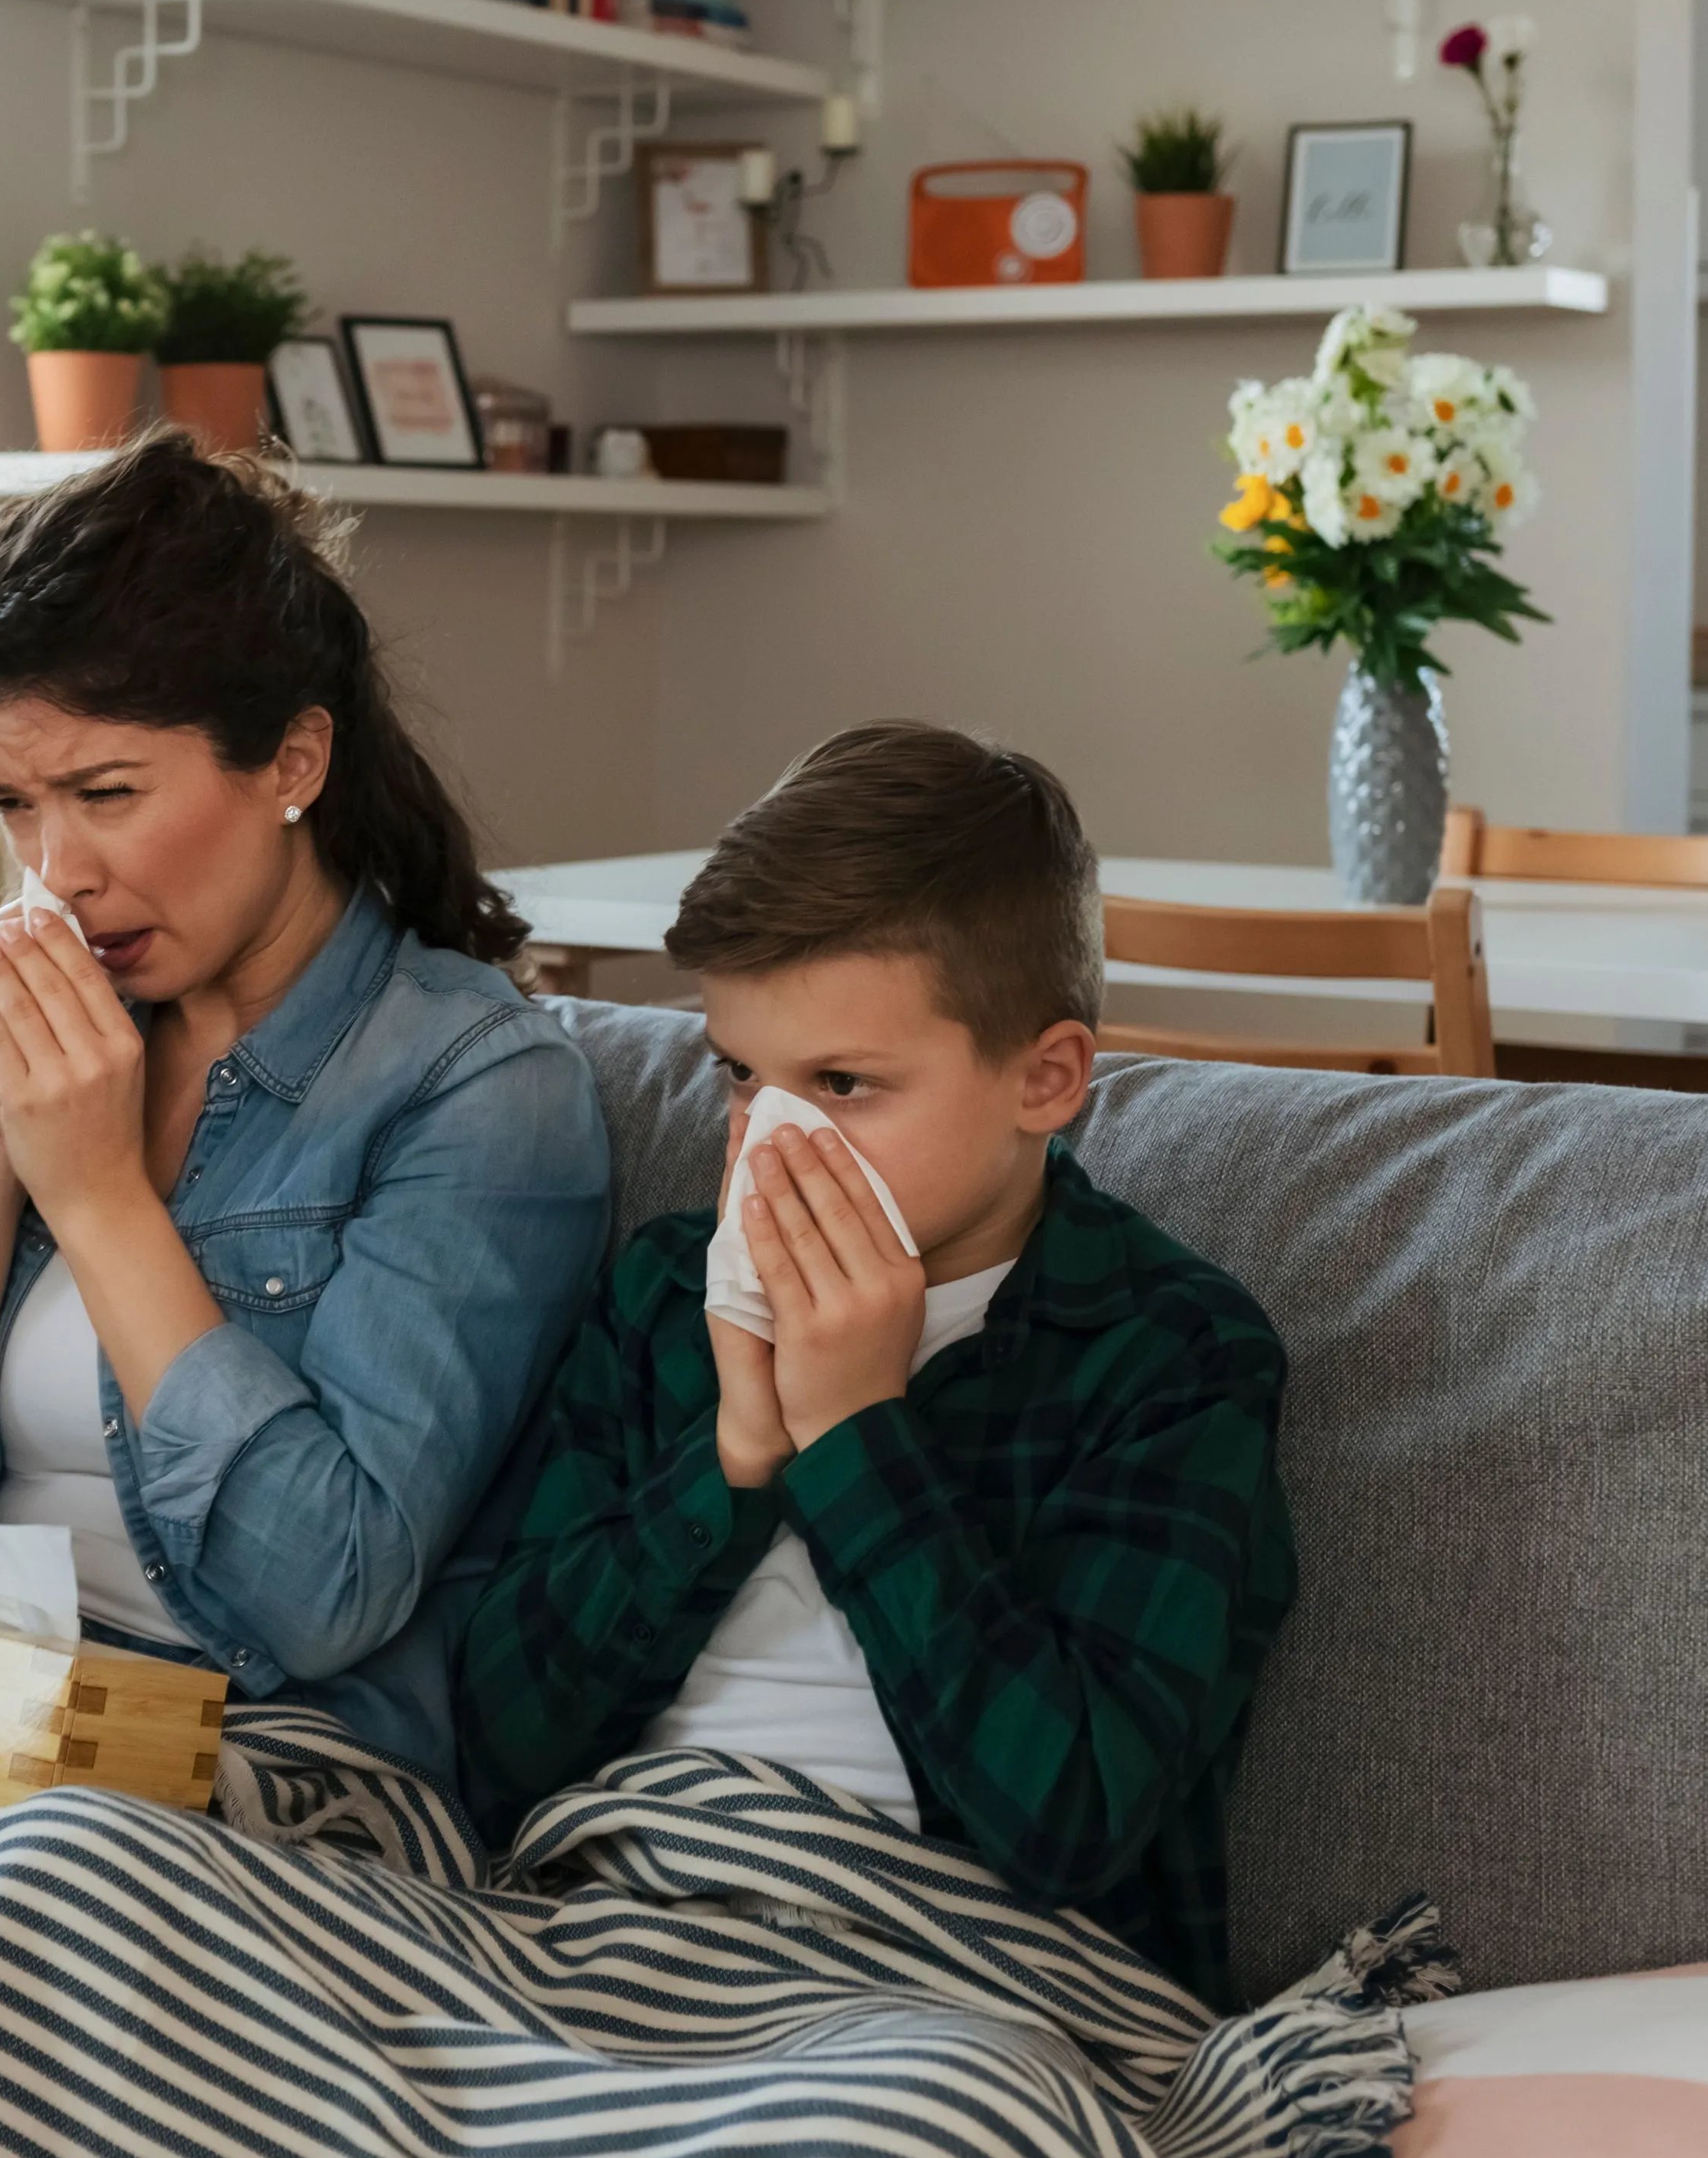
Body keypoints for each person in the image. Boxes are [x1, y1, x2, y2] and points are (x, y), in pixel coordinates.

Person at [0, 433, 613, 1782]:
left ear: (294, 762)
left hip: (249, 1756)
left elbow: (326, 1593)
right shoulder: (63, 1027)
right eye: (12, 805)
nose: (53, 873)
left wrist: (102, 1197)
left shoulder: (477, 1085)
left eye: (107, 795)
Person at [451, 723, 1294, 2002]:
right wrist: (733, 1457)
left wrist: (854, 1432)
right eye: (740, 1076)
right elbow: (500, 1746)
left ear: (1046, 1079)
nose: (768, 1143)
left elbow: (1063, 1818)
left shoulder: (1165, 1355)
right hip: (613, 1921)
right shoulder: (662, 1293)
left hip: (945, 1976)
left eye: (843, 1084)